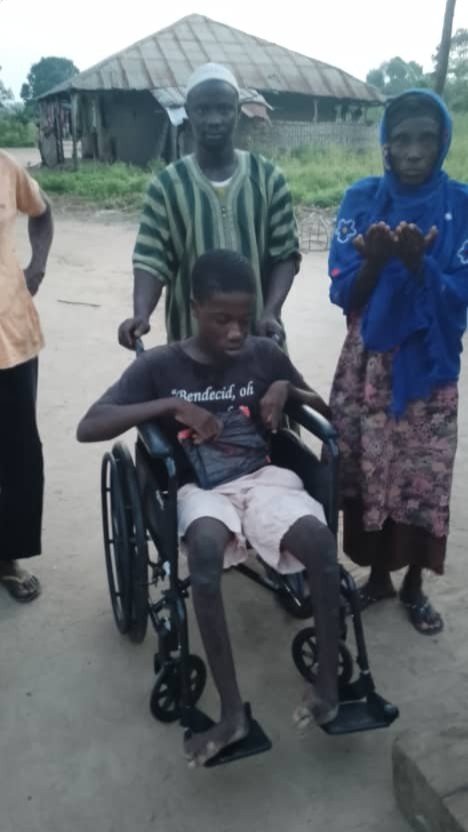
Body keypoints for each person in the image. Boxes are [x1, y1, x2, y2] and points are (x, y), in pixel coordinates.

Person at [79, 249, 340, 766]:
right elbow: (90, 425)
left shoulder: (264, 354)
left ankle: (328, 688)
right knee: (201, 549)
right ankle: (230, 711)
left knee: (319, 542)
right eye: (222, 319)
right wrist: (173, 406)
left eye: (244, 319)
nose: (237, 332)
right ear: (195, 306)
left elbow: (322, 408)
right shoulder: (160, 366)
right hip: (198, 486)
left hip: (263, 477)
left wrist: (287, 387)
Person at [328, 89, 468, 635]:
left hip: (428, 373)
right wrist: (380, 260)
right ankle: (378, 579)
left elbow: (460, 294)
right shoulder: (362, 200)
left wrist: (420, 268)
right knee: (369, 468)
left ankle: (413, 586)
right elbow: (343, 289)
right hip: (368, 366)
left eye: (425, 139)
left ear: (443, 144)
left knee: (421, 477)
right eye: (401, 139)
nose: (412, 151)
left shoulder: (461, 205)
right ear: (385, 144)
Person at [118, 63, 300, 348]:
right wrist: (141, 314)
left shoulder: (268, 178)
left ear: (237, 111)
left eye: (224, 109)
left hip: (257, 342)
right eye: (203, 110)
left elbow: (285, 254)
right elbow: (151, 260)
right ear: (188, 113)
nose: (214, 119)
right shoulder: (166, 186)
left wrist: (271, 311)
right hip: (189, 346)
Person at [0, 150, 53, 602]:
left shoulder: (6, 167)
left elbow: (42, 212)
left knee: (17, 452)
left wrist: (36, 268)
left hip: (10, 337)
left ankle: (7, 557)